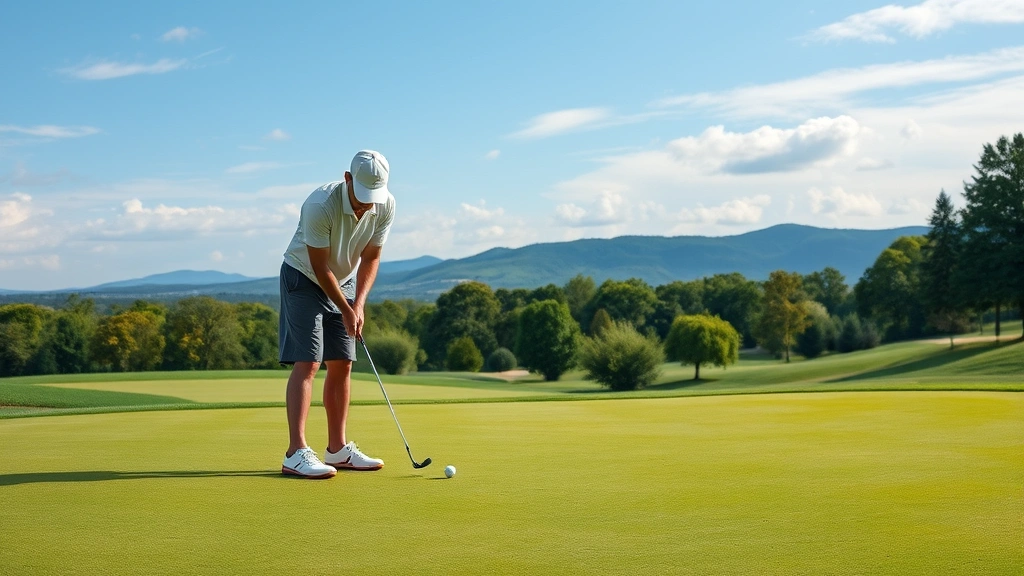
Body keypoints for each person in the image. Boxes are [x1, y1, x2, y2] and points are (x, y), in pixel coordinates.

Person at [278, 150, 395, 479]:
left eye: (373, 198)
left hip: (342, 281)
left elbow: (371, 257)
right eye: (362, 198)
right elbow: (319, 264)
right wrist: (346, 308)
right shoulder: (320, 205)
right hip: (303, 276)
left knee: (343, 361)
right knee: (309, 361)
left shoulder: (385, 205)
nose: (366, 206)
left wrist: (358, 304)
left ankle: (338, 449)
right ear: (347, 179)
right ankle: (295, 452)